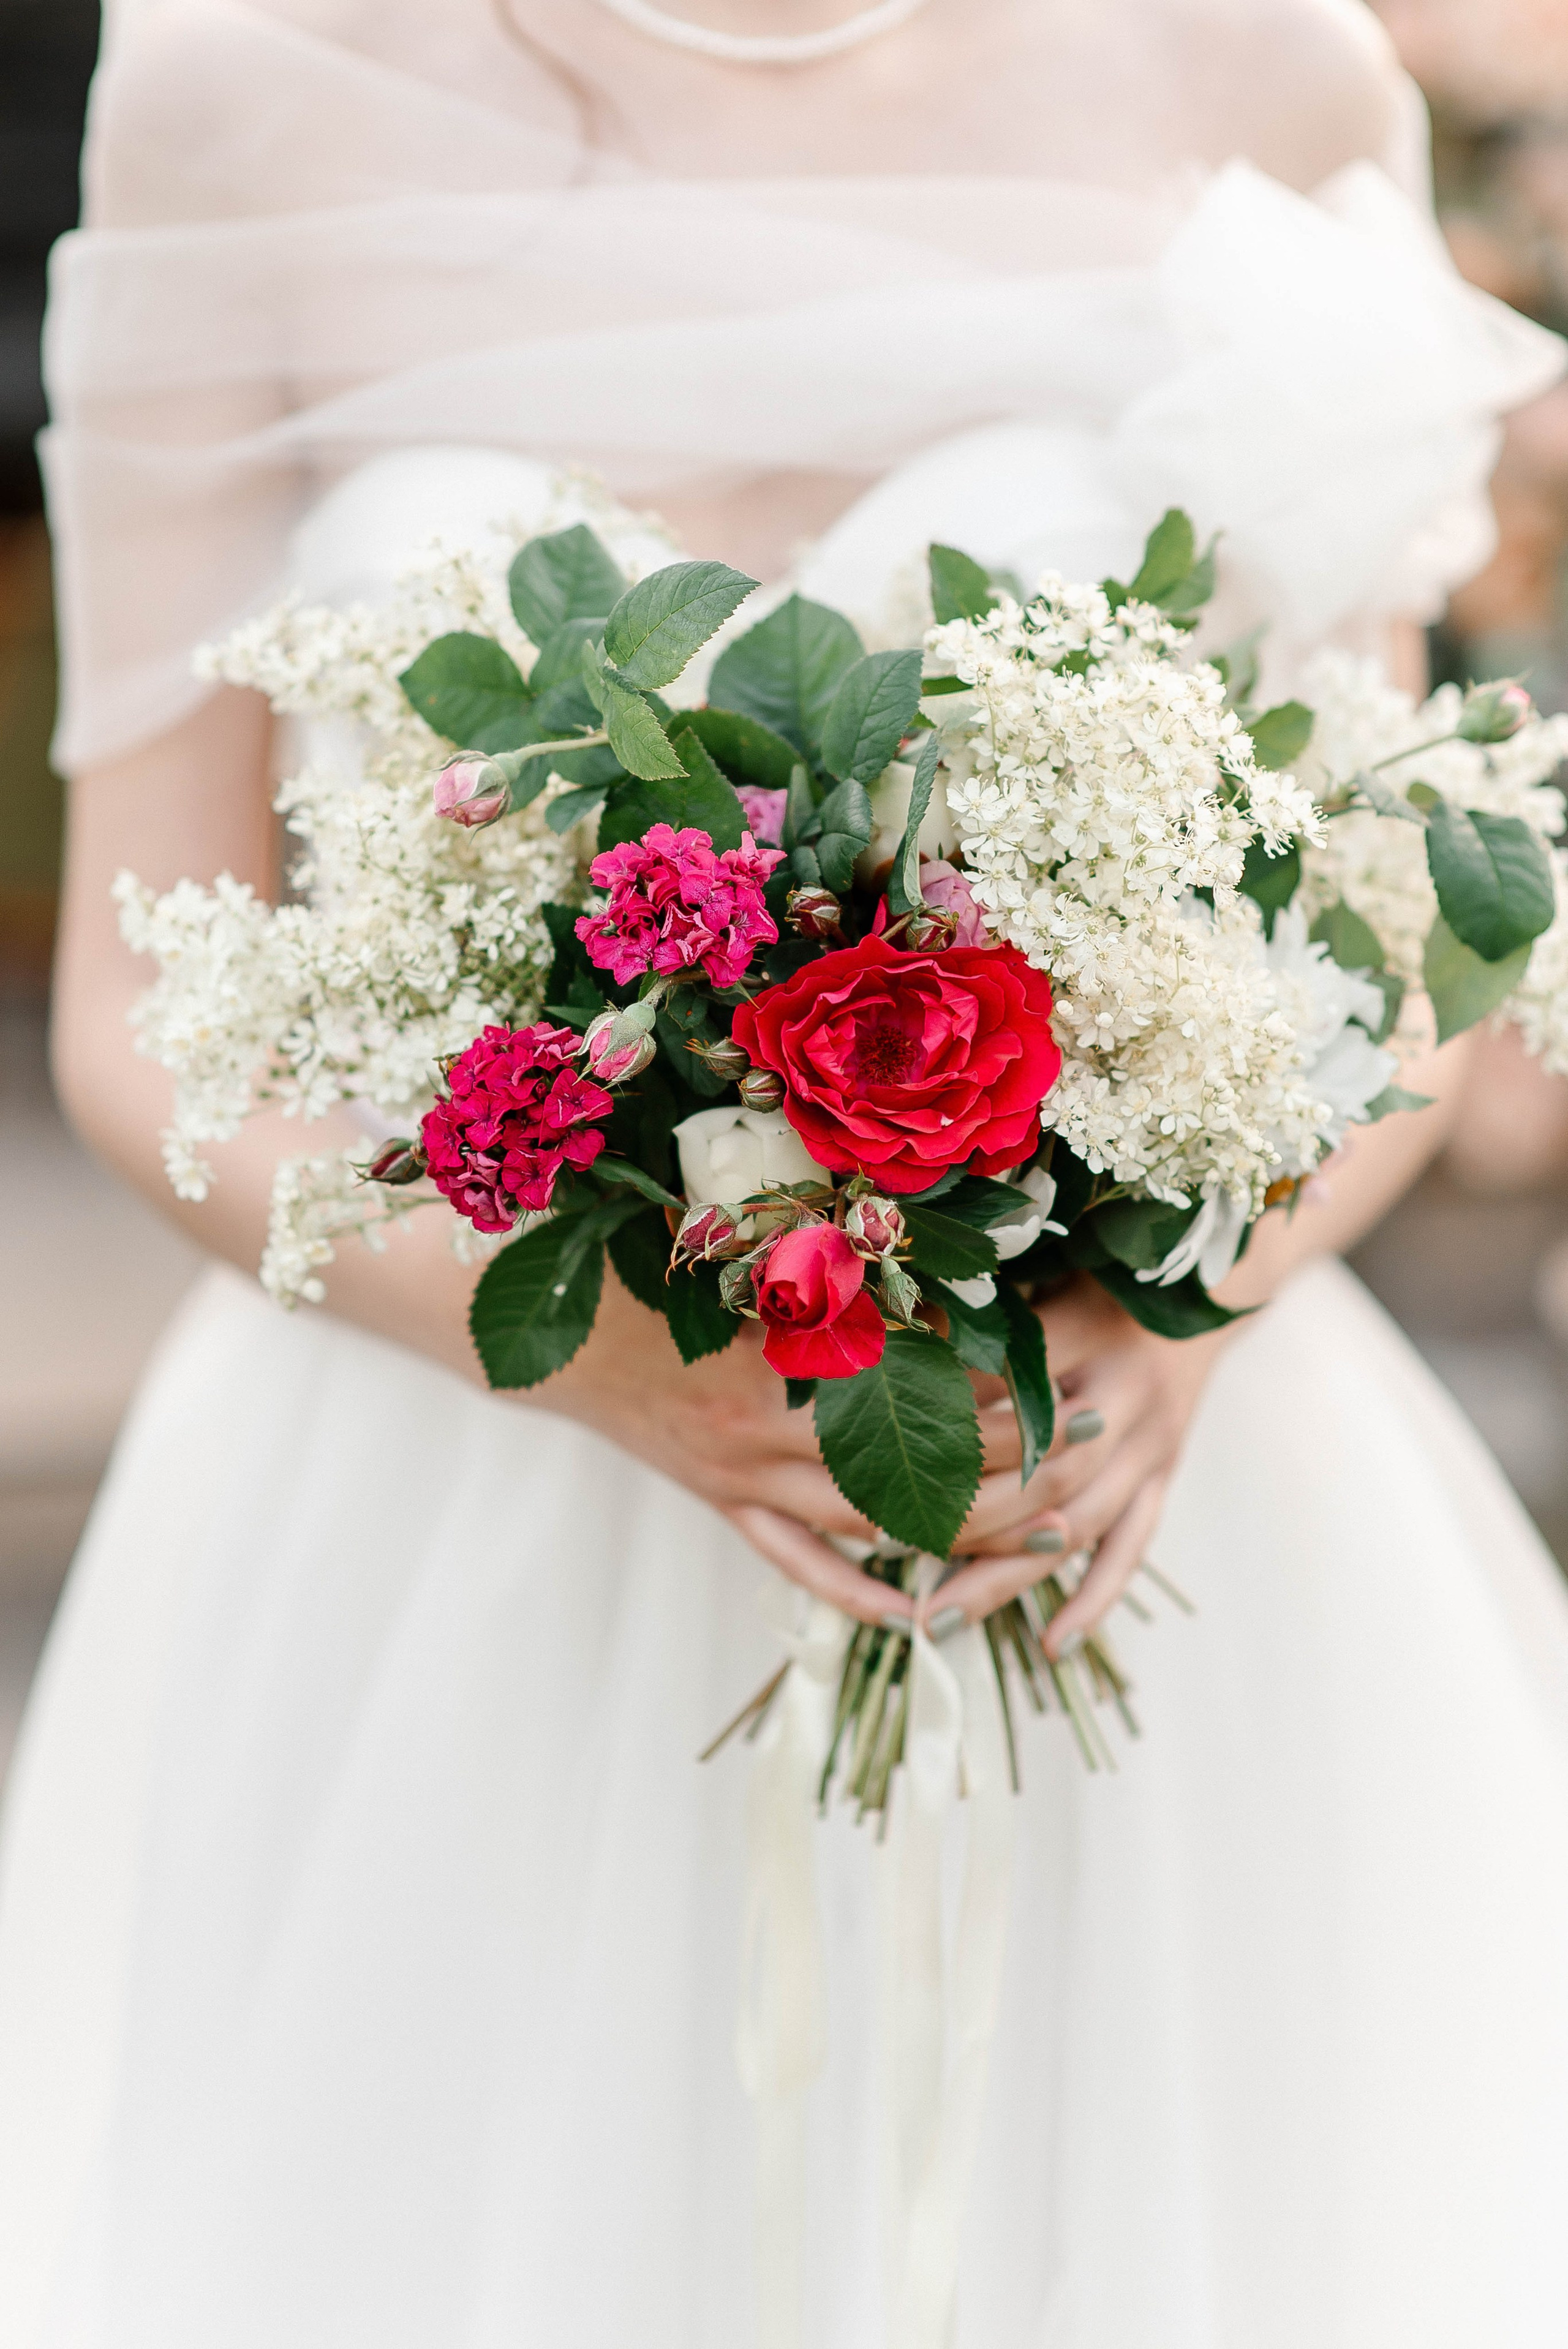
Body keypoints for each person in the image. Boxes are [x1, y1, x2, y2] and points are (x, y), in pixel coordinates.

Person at [6, 2, 1568, 2342]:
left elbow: (1392, 961)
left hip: (1117, 1491)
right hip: (442, 1508)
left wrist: (1179, 1301)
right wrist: (593, 1365)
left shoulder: (1261, 59)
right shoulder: (240, 75)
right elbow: (131, 1013)